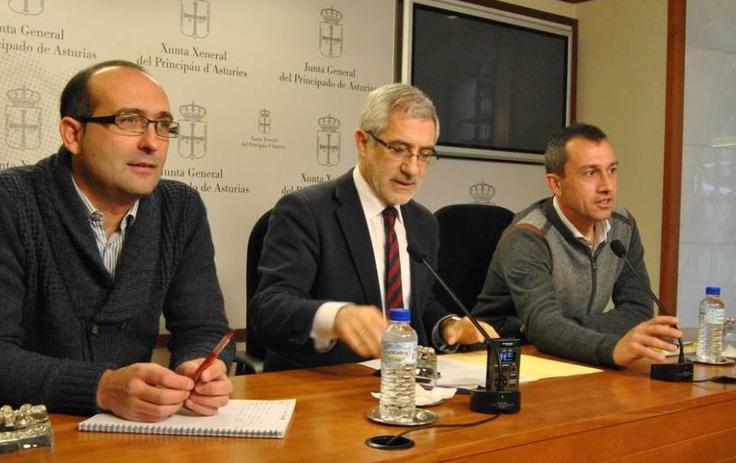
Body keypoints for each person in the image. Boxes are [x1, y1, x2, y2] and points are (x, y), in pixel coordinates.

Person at [0, 60, 233, 422]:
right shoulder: (0, 201)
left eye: (163, 126)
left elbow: (204, 327)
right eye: (129, 121)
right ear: (73, 135)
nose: (152, 144)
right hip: (20, 431)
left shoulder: (181, 208)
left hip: (132, 431)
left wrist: (202, 366)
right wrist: (102, 387)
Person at [249, 83, 497, 371]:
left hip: (402, 386)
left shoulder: (423, 223)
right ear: (363, 143)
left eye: (424, 154)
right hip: (323, 387)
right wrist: (335, 317)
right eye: (399, 149)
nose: (412, 169)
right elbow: (269, 308)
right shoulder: (306, 211)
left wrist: (447, 327)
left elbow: (416, 303)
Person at [473, 123, 682, 367]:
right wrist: (611, 347)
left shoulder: (622, 226)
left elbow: (638, 310)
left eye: (612, 170)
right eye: (591, 173)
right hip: (509, 358)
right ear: (555, 184)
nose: (607, 186)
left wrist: (565, 330)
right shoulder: (528, 235)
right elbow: (543, 326)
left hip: (571, 354)